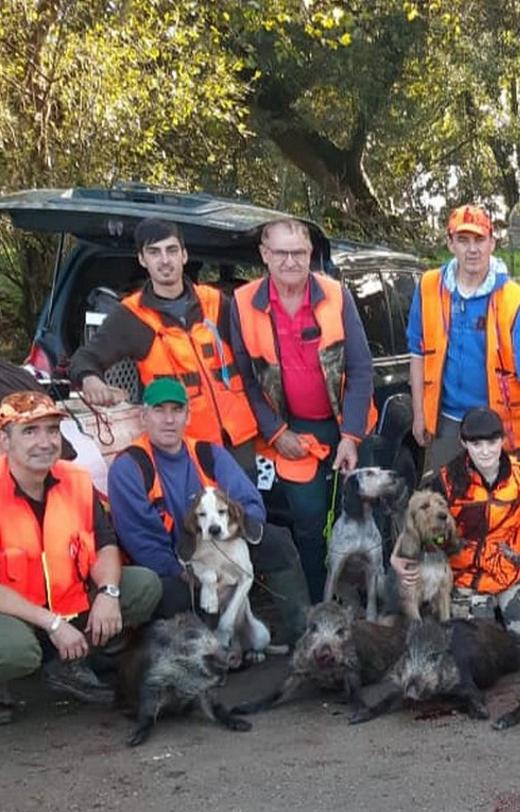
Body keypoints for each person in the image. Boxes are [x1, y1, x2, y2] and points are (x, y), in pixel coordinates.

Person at [230, 218, 377, 602]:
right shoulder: (243, 303)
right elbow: (245, 380)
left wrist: (352, 436)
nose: (291, 261)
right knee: (309, 524)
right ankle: (318, 606)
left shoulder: (337, 295)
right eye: (281, 252)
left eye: (299, 252)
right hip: (290, 430)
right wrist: (278, 434)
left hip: (347, 423)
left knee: (366, 517)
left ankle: (373, 602)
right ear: (265, 255)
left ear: (310, 254)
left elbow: (361, 369)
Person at [106, 379, 310, 645]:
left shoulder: (208, 453)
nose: (169, 419)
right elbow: (142, 543)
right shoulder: (129, 467)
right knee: (172, 596)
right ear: (144, 417)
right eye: (159, 410)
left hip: (222, 547)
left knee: (277, 542)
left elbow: (250, 502)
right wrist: (198, 577)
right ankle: (201, 656)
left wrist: (231, 545)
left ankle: (303, 634)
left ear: (188, 416)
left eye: (177, 410)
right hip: (174, 565)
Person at [0, 391, 161, 724]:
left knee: (143, 586)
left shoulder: (76, 480)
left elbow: (105, 544)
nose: (45, 442)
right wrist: (52, 623)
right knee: (15, 651)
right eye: (29, 431)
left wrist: (109, 593)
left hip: (65, 603)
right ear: (5, 440)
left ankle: (68, 664)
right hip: (13, 611)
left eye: (52, 430)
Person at [69, 218, 260, 470]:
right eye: (154, 252)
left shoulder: (214, 302)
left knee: (246, 509)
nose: (165, 260)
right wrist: (90, 379)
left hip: (238, 443)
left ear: (184, 255)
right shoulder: (131, 316)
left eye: (171, 250)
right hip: (183, 447)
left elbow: (259, 348)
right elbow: (84, 359)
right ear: (141, 259)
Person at [408, 205, 520, 476]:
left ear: (492, 243)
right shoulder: (428, 287)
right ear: (450, 243)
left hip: (502, 428)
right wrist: (419, 414)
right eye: (463, 240)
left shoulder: (513, 301)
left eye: (480, 240)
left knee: (511, 509)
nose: (472, 249)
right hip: (449, 423)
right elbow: (417, 352)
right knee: (444, 510)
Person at [393, 408, 520, 636]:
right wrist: (397, 555)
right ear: (463, 442)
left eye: (492, 442)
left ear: (502, 440)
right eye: (476, 444)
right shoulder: (444, 481)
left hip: (514, 571)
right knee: (475, 646)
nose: (485, 451)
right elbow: (416, 517)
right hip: (467, 577)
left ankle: (507, 614)